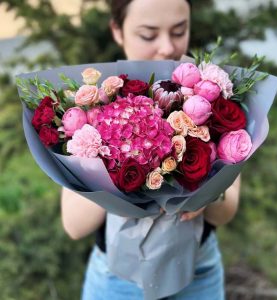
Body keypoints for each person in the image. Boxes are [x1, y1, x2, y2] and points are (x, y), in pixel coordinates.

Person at [61, 0, 241, 299]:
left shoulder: (209, 97)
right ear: (117, 31)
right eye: (148, 35)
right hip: (116, 280)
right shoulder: (97, 104)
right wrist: (119, 166)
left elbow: (226, 212)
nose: (166, 48)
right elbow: (75, 226)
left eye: (179, 30)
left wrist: (209, 196)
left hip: (199, 271)